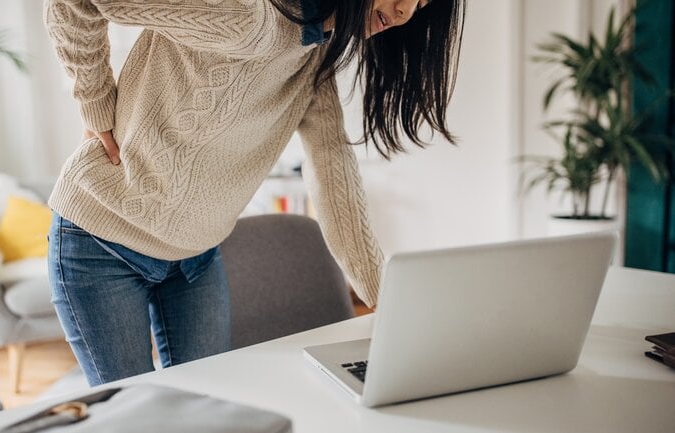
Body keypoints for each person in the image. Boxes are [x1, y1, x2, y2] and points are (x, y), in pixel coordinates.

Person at [44, 0, 466, 386]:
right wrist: (96, 104)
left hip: (196, 256)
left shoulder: (314, 53)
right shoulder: (248, 13)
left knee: (204, 411)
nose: (405, 9)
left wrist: (385, 297)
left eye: (424, 2)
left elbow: (334, 170)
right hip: (100, 243)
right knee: (129, 414)